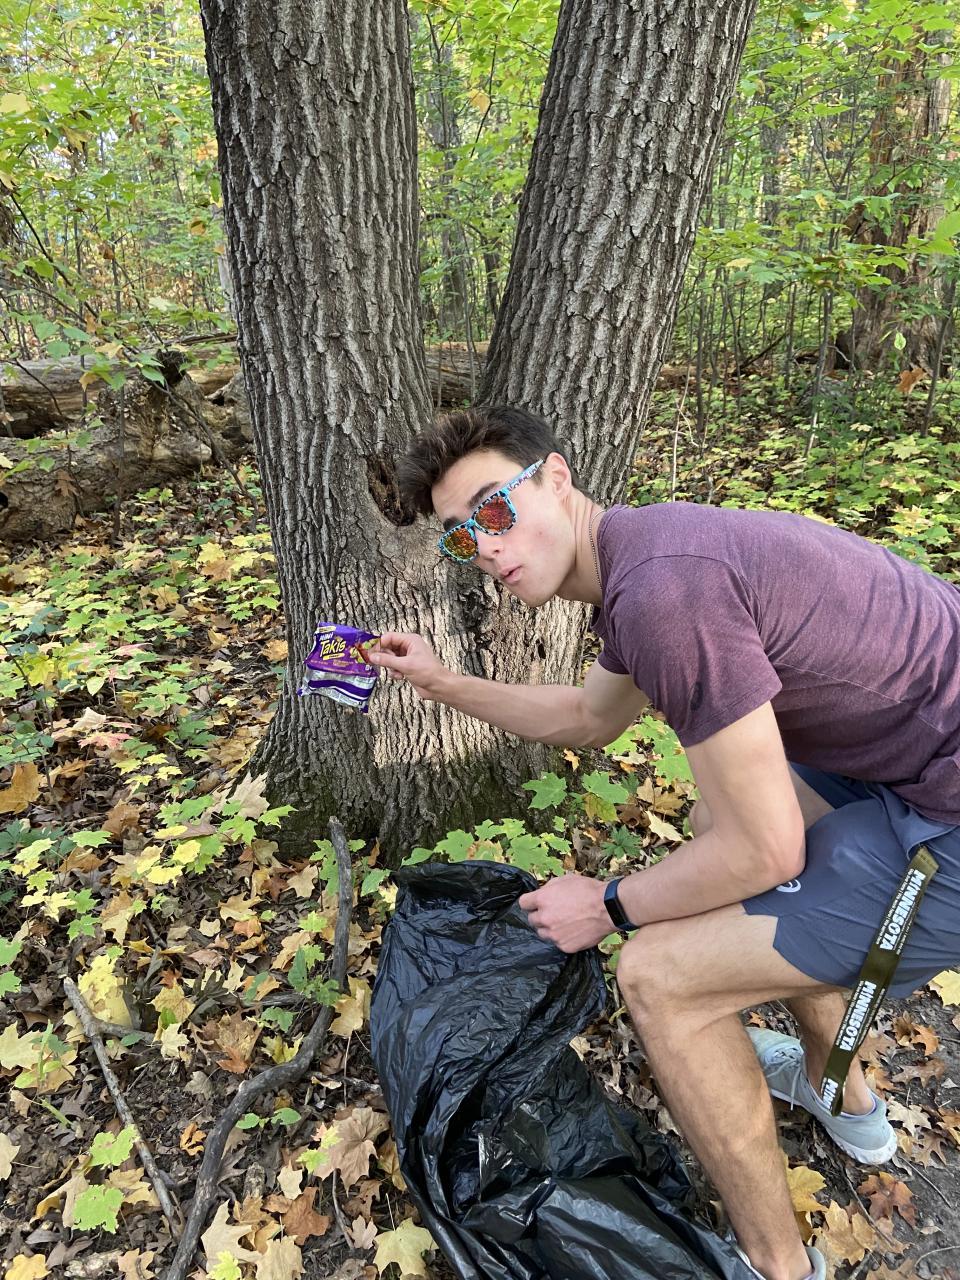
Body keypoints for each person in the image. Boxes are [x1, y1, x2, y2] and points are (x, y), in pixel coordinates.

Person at [367, 405, 960, 1280]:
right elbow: (588, 716)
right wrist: (439, 682)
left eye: (494, 509)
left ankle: (779, 1268)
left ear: (557, 477)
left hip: (944, 812)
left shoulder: (663, 596)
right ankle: (844, 1096)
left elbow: (768, 855)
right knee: (715, 826)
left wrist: (606, 906)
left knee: (659, 977)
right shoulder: (645, 554)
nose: (485, 547)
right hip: (914, 757)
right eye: (461, 536)